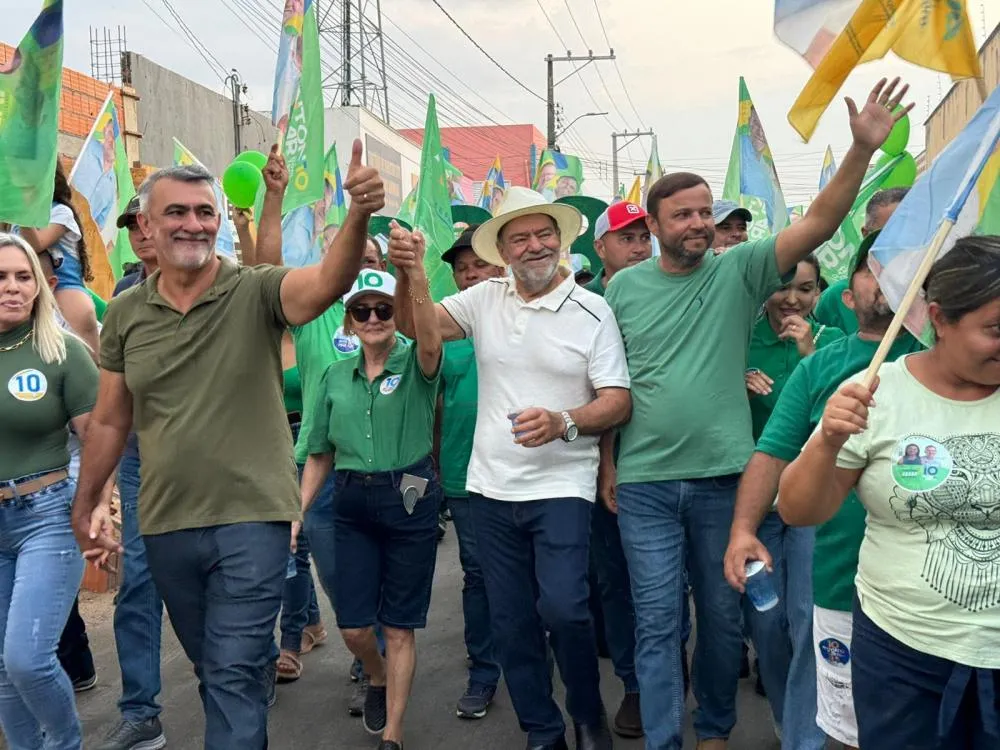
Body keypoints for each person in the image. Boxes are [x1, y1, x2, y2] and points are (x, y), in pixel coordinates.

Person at [603, 78, 912, 750]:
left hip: (725, 479)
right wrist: (607, 464)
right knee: (657, 623)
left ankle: (714, 730)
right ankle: (663, 740)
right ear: (652, 226)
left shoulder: (738, 270)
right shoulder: (621, 290)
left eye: (704, 212)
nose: (697, 223)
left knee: (721, 620)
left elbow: (819, 224)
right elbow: (609, 382)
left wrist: (861, 150)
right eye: (681, 215)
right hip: (645, 484)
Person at [70, 141, 385, 749]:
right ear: (146, 227)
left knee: (234, 670)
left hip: (253, 517)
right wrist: (87, 504)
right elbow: (109, 421)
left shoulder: (256, 290)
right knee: (214, 668)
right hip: (167, 523)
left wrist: (358, 214)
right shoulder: (128, 314)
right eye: (177, 212)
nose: (194, 224)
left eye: (205, 212)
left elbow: (327, 283)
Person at [392, 186, 633, 750]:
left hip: (562, 485)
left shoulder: (591, 310)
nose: (534, 246)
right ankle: (542, 730)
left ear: (561, 240)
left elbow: (617, 400)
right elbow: (417, 327)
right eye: (519, 238)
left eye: (544, 233)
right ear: (501, 252)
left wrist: (564, 421)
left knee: (566, 609)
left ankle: (587, 713)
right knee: (511, 620)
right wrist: (412, 275)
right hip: (490, 489)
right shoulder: (484, 298)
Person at [778, 234, 1000, 750]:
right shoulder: (877, 392)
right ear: (939, 319)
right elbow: (799, 508)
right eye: (995, 330)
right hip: (904, 651)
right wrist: (827, 441)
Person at [724, 229, 920, 750]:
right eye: (873, 268)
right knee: (813, 662)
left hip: (920, 585)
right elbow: (772, 453)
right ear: (849, 294)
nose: (886, 280)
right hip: (833, 564)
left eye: (901, 269)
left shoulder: (943, 360)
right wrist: (743, 529)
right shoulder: (821, 367)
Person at [299, 249, 442, 750]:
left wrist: (415, 274)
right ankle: (376, 675)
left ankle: (393, 734)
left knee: (399, 626)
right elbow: (319, 452)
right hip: (352, 501)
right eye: (363, 310)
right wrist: (297, 512)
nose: (375, 318)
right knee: (355, 628)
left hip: (410, 495)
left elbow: (430, 338)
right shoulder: (334, 376)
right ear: (350, 320)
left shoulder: (418, 360)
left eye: (384, 308)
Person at [730, 253, 842, 747]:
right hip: (757, 508)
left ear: (819, 293)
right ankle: (784, 714)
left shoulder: (833, 344)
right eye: (783, 287)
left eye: (806, 288)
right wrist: (734, 386)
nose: (793, 299)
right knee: (766, 621)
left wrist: (808, 351)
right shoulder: (738, 341)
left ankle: (805, 736)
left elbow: (836, 421)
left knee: (806, 619)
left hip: (812, 504)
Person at [0, 233, 106, 750]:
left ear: (39, 285)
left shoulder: (62, 351)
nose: (13, 287)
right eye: (1, 277)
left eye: (24, 277)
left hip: (47, 515)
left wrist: (97, 505)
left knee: (27, 658)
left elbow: (100, 438)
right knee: (2, 667)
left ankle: (64, 743)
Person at [588, 200, 653, 739]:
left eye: (643, 237)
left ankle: (665, 672)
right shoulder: (584, 305)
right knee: (615, 580)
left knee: (662, 582)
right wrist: (605, 459)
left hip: (662, 460)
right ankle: (634, 683)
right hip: (601, 462)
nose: (638, 248)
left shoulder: (672, 291)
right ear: (600, 247)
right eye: (626, 238)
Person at [437, 227, 505, 720]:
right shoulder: (446, 333)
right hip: (464, 475)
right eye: (462, 269)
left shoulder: (521, 319)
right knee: (478, 574)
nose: (470, 274)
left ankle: (533, 655)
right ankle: (484, 670)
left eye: (479, 264)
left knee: (533, 576)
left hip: (525, 472)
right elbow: (432, 407)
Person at [18, 160, 101, 358]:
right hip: (27, 292)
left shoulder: (60, 212)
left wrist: (20, 209)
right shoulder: (13, 221)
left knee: (86, 358)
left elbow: (37, 244)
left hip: (64, 288)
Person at [813, 187, 908, 334]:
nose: (900, 244)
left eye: (910, 234)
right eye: (888, 236)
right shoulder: (834, 299)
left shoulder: (932, 289)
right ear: (866, 234)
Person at [586, 201, 652, 295]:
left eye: (646, 237)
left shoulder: (665, 291)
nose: (640, 248)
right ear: (600, 248)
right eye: (627, 239)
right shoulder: (581, 299)